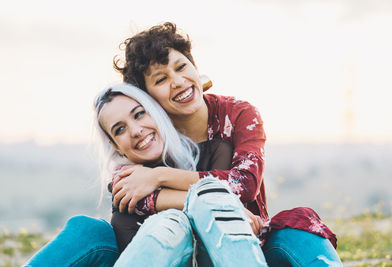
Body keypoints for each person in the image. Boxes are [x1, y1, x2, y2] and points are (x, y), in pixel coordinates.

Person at [25, 22, 342, 266]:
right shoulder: (145, 143)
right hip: (165, 251)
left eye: (181, 68)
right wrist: (207, 202)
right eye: (161, 79)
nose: (177, 81)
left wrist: (158, 178)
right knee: (96, 229)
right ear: (149, 97)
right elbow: (142, 203)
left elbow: (242, 184)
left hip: (240, 247)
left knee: (299, 225)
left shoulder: (235, 119)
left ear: (195, 67)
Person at [25, 83, 267, 267]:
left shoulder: (215, 152)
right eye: (120, 130)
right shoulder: (126, 179)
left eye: (139, 114)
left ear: (157, 112)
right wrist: (219, 205)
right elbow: (212, 201)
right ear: (115, 146)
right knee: (90, 229)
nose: (136, 131)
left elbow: (239, 187)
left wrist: (162, 178)